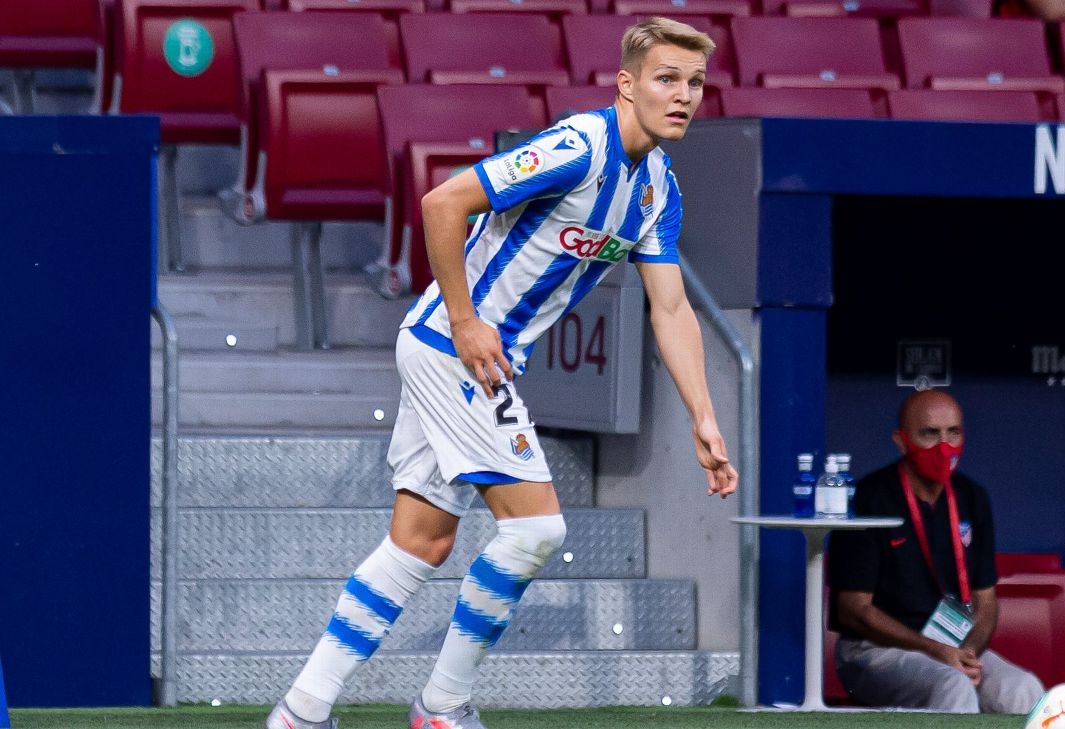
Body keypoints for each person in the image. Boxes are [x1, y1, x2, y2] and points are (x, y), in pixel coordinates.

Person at [265, 17, 737, 729]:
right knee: (536, 529)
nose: (683, 95)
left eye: (694, 83)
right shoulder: (578, 147)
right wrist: (465, 320)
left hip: (464, 355)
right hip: (454, 349)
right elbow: (442, 203)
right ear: (627, 83)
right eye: (667, 79)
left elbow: (670, 308)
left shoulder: (658, 190)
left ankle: (301, 710)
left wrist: (703, 414)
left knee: (420, 541)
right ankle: (442, 706)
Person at [826, 389, 1044, 714]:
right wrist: (934, 650)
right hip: (875, 650)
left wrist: (969, 652)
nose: (944, 446)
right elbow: (853, 609)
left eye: (953, 433)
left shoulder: (972, 497)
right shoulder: (870, 497)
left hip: (954, 648)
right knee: (952, 684)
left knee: (1021, 688)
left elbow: (986, 601)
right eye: (929, 433)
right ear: (901, 441)